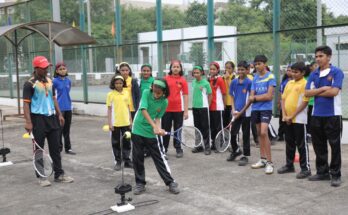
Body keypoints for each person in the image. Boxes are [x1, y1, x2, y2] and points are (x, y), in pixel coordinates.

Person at [23, 56, 74, 187]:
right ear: (36, 68)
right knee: (38, 149)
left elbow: (53, 98)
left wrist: (59, 114)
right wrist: (28, 122)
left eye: (47, 67)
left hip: (52, 118)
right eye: (44, 67)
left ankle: (59, 174)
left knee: (55, 148)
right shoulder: (29, 84)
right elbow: (26, 104)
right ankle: (41, 176)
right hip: (38, 119)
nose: (46, 69)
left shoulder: (50, 81)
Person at [132, 79, 180, 195]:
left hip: (150, 133)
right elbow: (143, 110)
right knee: (137, 158)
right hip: (138, 129)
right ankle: (140, 183)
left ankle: (170, 182)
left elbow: (158, 117)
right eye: (154, 91)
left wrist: (158, 129)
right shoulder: (146, 92)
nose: (156, 94)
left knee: (159, 157)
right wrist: (154, 126)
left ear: (164, 92)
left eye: (159, 93)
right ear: (152, 88)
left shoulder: (164, 102)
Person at [305, 45, 344, 187]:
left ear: (329, 57)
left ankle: (336, 174)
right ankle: (322, 172)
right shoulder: (314, 74)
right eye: (316, 56)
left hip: (332, 115)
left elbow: (333, 92)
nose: (318, 59)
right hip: (316, 114)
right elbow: (306, 93)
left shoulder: (337, 72)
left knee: (334, 146)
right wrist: (322, 88)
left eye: (321, 56)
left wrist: (315, 91)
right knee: (318, 145)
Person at [277, 62, 311, 179]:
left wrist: (292, 116)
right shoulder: (289, 83)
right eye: (292, 71)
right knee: (289, 143)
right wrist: (285, 115)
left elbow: (305, 102)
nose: (293, 74)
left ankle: (305, 168)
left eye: (296, 72)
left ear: (303, 73)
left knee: (301, 144)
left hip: (299, 119)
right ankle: (289, 165)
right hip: (287, 118)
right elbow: (283, 99)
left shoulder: (305, 84)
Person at [249, 55, 276, 174]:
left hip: (266, 109)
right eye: (256, 64)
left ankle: (270, 162)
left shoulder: (271, 76)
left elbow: (269, 96)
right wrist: (255, 98)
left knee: (264, 132)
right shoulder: (255, 77)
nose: (257, 66)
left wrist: (255, 98)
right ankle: (263, 159)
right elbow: (251, 95)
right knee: (259, 133)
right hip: (255, 109)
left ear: (265, 64)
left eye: (259, 63)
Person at [226, 61, 252, 166]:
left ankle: (245, 156)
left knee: (245, 134)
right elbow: (231, 96)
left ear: (247, 70)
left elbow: (250, 100)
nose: (240, 71)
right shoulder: (234, 82)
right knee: (233, 133)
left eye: (243, 69)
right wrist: (233, 110)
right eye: (239, 69)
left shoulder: (249, 83)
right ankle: (236, 150)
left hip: (246, 113)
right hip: (236, 113)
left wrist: (241, 112)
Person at [162, 60, 189, 158]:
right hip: (166, 110)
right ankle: (164, 148)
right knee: (165, 130)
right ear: (170, 68)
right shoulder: (165, 79)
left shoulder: (183, 80)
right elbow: (161, 95)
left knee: (178, 130)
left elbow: (186, 95)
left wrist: (186, 111)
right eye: (174, 67)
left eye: (178, 67)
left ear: (181, 68)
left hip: (179, 110)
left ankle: (178, 148)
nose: (176, 68)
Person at [107, 75, 133, 171]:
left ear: (123, 84)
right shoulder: (110, 95)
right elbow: (109, 110)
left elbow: (128, 108)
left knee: (127, 142)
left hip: (126, 122)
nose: (118, 85)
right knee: (116, 142)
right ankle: (118, 161)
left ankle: (127, 160)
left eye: (120, 83)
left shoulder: (126, 93)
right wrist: (110, 123)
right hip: (115, 123)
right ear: (113, 84)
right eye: (116, 83)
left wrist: (130, 121)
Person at [52, 62, 76, 155]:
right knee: (59, 129)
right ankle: (58, 148)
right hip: (59, 109)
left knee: (67, 129)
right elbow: (54, 96)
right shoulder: (54, 81)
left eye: (64, 68)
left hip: (68, 108)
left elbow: (67, 92)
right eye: (60, 69)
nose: (62, 70)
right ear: (57, 71)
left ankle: (68, 148)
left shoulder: (68, 81)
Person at [191, 66, 212, 155]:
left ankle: (207, 147)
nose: (196, 74)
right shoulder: (193, 82)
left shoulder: (206, 83)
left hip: (203, 108)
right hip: (195, 107)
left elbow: (210, 95)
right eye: (194, 73)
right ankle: (198, 146)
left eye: (197, 72)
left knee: (205, 127)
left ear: (202, 73)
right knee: (197, 127)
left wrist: (208, 106)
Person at [208, 62, 226, 152]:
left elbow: (224, 93)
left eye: (214, 69)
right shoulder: (208, 79)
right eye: (210, 69)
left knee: (219, 126)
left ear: (218, 70)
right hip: (210, 107)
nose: (212, 71)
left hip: (218, 107)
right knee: (212, 127)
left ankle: (220, 144)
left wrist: (224, 105)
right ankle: (214, 144)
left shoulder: (219, 79)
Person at [139, 64, 154, 158]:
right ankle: (144, 149)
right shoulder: (139, 81)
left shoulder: (153, 81)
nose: (146, 72)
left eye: (148, 71)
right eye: (144, 70)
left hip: (151, 108)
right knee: (143, 128)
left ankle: (151, 149)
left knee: (151, 128)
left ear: (151, 72)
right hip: (142, 108)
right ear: (141, 72)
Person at [277, 65, 293, 142]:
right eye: (288, 70)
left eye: (290, 70)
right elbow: (281, 93)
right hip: (284, 104)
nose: (288, 72)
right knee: (282, 120)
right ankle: (280, 135)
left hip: (291, 105)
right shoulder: (284, 81)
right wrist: (279, 102)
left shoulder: (295, 82)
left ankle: (289, 135)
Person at [304, 62, 318, 143]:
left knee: (313, 120)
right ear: (311, 68)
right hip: (307, 103)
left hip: (314, 103)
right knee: (307, 120)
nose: (316, 67)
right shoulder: (306, 78)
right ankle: (307, 134)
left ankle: (311, 135)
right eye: (315, 65)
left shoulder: (318, 77)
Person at [223, 61, 236, 127]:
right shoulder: (222, 77)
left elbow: (232, 88)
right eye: (226, 68)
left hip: (231, 103)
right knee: (224, 122)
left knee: (231, 122)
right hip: (224, 103)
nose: (227, 70)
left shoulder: (235, 77)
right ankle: (226, 136)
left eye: (229, 68)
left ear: (233, 69)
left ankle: (232, 136)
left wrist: (228, 78)